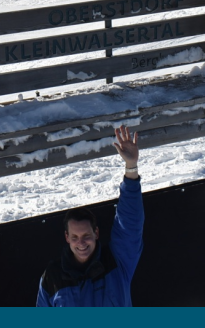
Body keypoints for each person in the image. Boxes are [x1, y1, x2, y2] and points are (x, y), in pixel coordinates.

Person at [36, 126, 142, 307]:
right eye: (75, 237)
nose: (81, 243)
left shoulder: (117, 261)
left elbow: (130, 224)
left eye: (86, 235)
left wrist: (131, 168)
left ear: (96, 233)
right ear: (67, 237)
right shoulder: (52, 277)